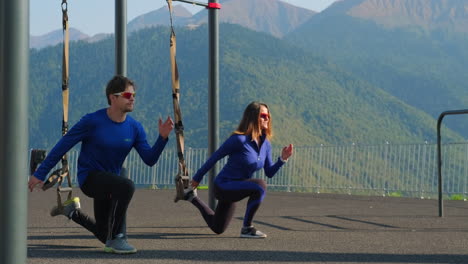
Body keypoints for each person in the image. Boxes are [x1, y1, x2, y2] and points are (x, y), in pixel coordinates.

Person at [28, 75, 174, 254]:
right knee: (126, 185)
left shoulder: (135, 128)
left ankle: (72, 212)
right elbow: (63, 146)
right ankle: (118, 238)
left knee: (105, 234)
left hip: (112, 182)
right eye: (128, 95)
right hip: (91, 178)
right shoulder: (92, 121)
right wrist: (40, 173)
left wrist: (162, 138)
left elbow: (149, 160)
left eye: (134, 95)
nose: (133, 98)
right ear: (113, 97)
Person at [184, 101, 294, 238]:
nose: (267, 119)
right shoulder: (238, 140)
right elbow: (214, 158)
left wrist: (282, 160)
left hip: (238, 186)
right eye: (264, 115)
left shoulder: (266, 144)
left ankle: (191, 197)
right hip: (223, 185)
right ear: (253, 117)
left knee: (218, 228)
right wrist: (196, 179)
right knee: (260, 186)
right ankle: (247, 228)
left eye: (268, 116)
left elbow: (269, 173)